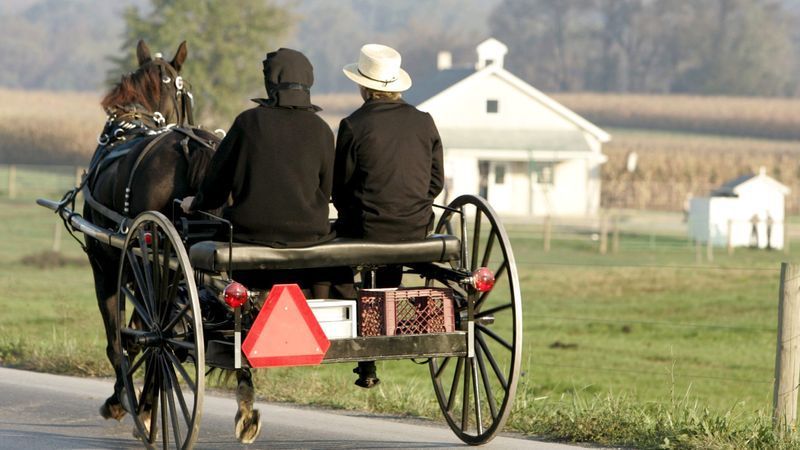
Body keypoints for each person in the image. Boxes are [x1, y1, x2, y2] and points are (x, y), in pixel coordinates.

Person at [333, 43, 445, 388]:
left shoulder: (352, 125)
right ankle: (386, 316)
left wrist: (365, 210)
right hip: (415, 227)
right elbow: (436, 182)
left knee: (345, 248)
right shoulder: (424, 122)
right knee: (389, 262)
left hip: (366, 228)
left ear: (363, 86)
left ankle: (361, 329)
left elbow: (340, 189)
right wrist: (409, 208)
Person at [181, 48, 335, 291]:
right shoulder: (322, 129)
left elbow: (217, 183)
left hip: (250, 235)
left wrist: (197, 202)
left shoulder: (248, 123)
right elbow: (326, 190)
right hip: (309, 236)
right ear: (308, 81)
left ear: (270, 81)